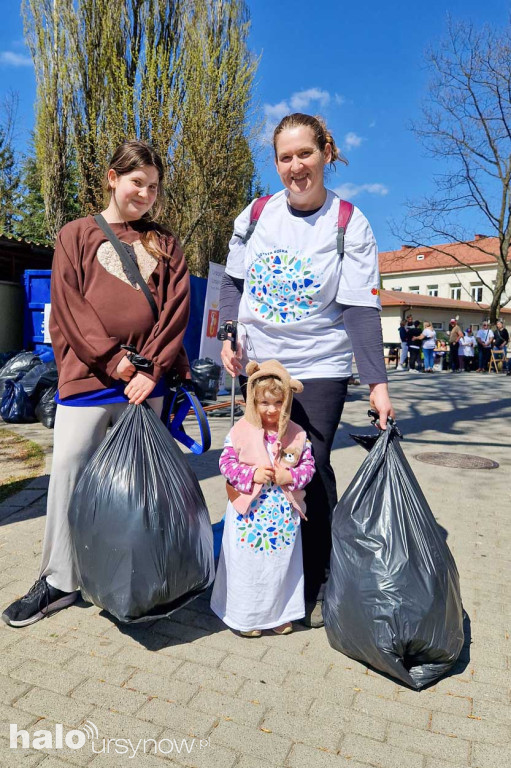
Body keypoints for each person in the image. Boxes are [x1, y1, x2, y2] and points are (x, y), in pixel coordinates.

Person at [2, 140, 191, 628]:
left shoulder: (166, 244)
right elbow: (68, 307)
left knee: (139, 485)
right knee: (67, 468)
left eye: (153, 187)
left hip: (144, 387)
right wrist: (115, 361)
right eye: (136, 183)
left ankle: (137, 576)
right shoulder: (76, 234)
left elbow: (175, 314)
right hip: (88, 379)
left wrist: (149, 371)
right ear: (113, 178)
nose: (145, 194)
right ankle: (60, 579)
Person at [218, 112, 394, 627]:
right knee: (256, 465)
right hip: (261, 366)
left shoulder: (348, 224)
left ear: (326, 154)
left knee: (305, 466)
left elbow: (362, 310)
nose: (295, 166)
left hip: (319, 365)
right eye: (285, 157)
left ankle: (317, 579)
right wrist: (230, 332)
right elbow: (232, 283)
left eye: (305, 154)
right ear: (276, 163)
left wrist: (377, 386)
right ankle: (263, 579)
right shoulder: (254, 215)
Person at [211, 360, 315, 637]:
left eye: (277, 403)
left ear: (287, 400)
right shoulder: (240, 431)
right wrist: (252, 473)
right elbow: (226, 464)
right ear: (253, 401)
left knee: (280, 565)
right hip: (249, 512)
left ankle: (280, 614)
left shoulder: (297, 434)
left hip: (282, 513)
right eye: (263, 403)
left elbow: (308, 467)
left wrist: (289, 478)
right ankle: (246, 615)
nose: (270, 410)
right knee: (248, 565)